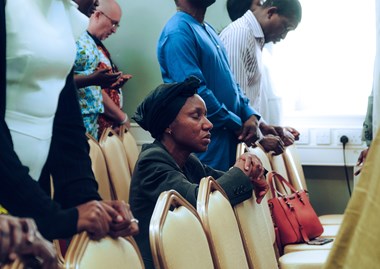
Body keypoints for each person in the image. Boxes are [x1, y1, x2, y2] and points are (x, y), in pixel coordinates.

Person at [1, 0, 138, 241]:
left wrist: (87, 200)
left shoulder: (61, 11)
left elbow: (65, 122)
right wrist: (47, 214)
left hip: (32, 193)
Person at [130, 76, 269, 268]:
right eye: (196, 116)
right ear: (168, 125)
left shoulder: (187, 160)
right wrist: (242, 172)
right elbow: (199, 203)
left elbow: (218, 183)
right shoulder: (152, 162)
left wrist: (252, 170)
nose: (208, 124)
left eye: (206, 115)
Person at [157, 0, 262, 171]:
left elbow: (231, 81)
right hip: (208, 142)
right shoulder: (178, 32)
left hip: (229, 136)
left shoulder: (208, 29)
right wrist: (236, 123)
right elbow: (197, 92)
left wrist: (249, 114)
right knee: (213, 194)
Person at [220, 0, 302, 152]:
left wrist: (264, 126)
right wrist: (261, 138)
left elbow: (248, 103)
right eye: (285, 27)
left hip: (242, 139)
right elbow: (235, 101)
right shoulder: (240, 34)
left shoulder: (254, 39)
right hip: (231, 140)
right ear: (271, 12)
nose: (283, 36)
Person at [74, 0, 131, 139]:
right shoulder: (73, 34)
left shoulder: (90, 40)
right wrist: (92, 79)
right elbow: (62, 78)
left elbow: (89, 79)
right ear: (98, 15)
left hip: (92, 118)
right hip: (75, 116)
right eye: (113, 23)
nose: (114, 29)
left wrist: (109, 83)